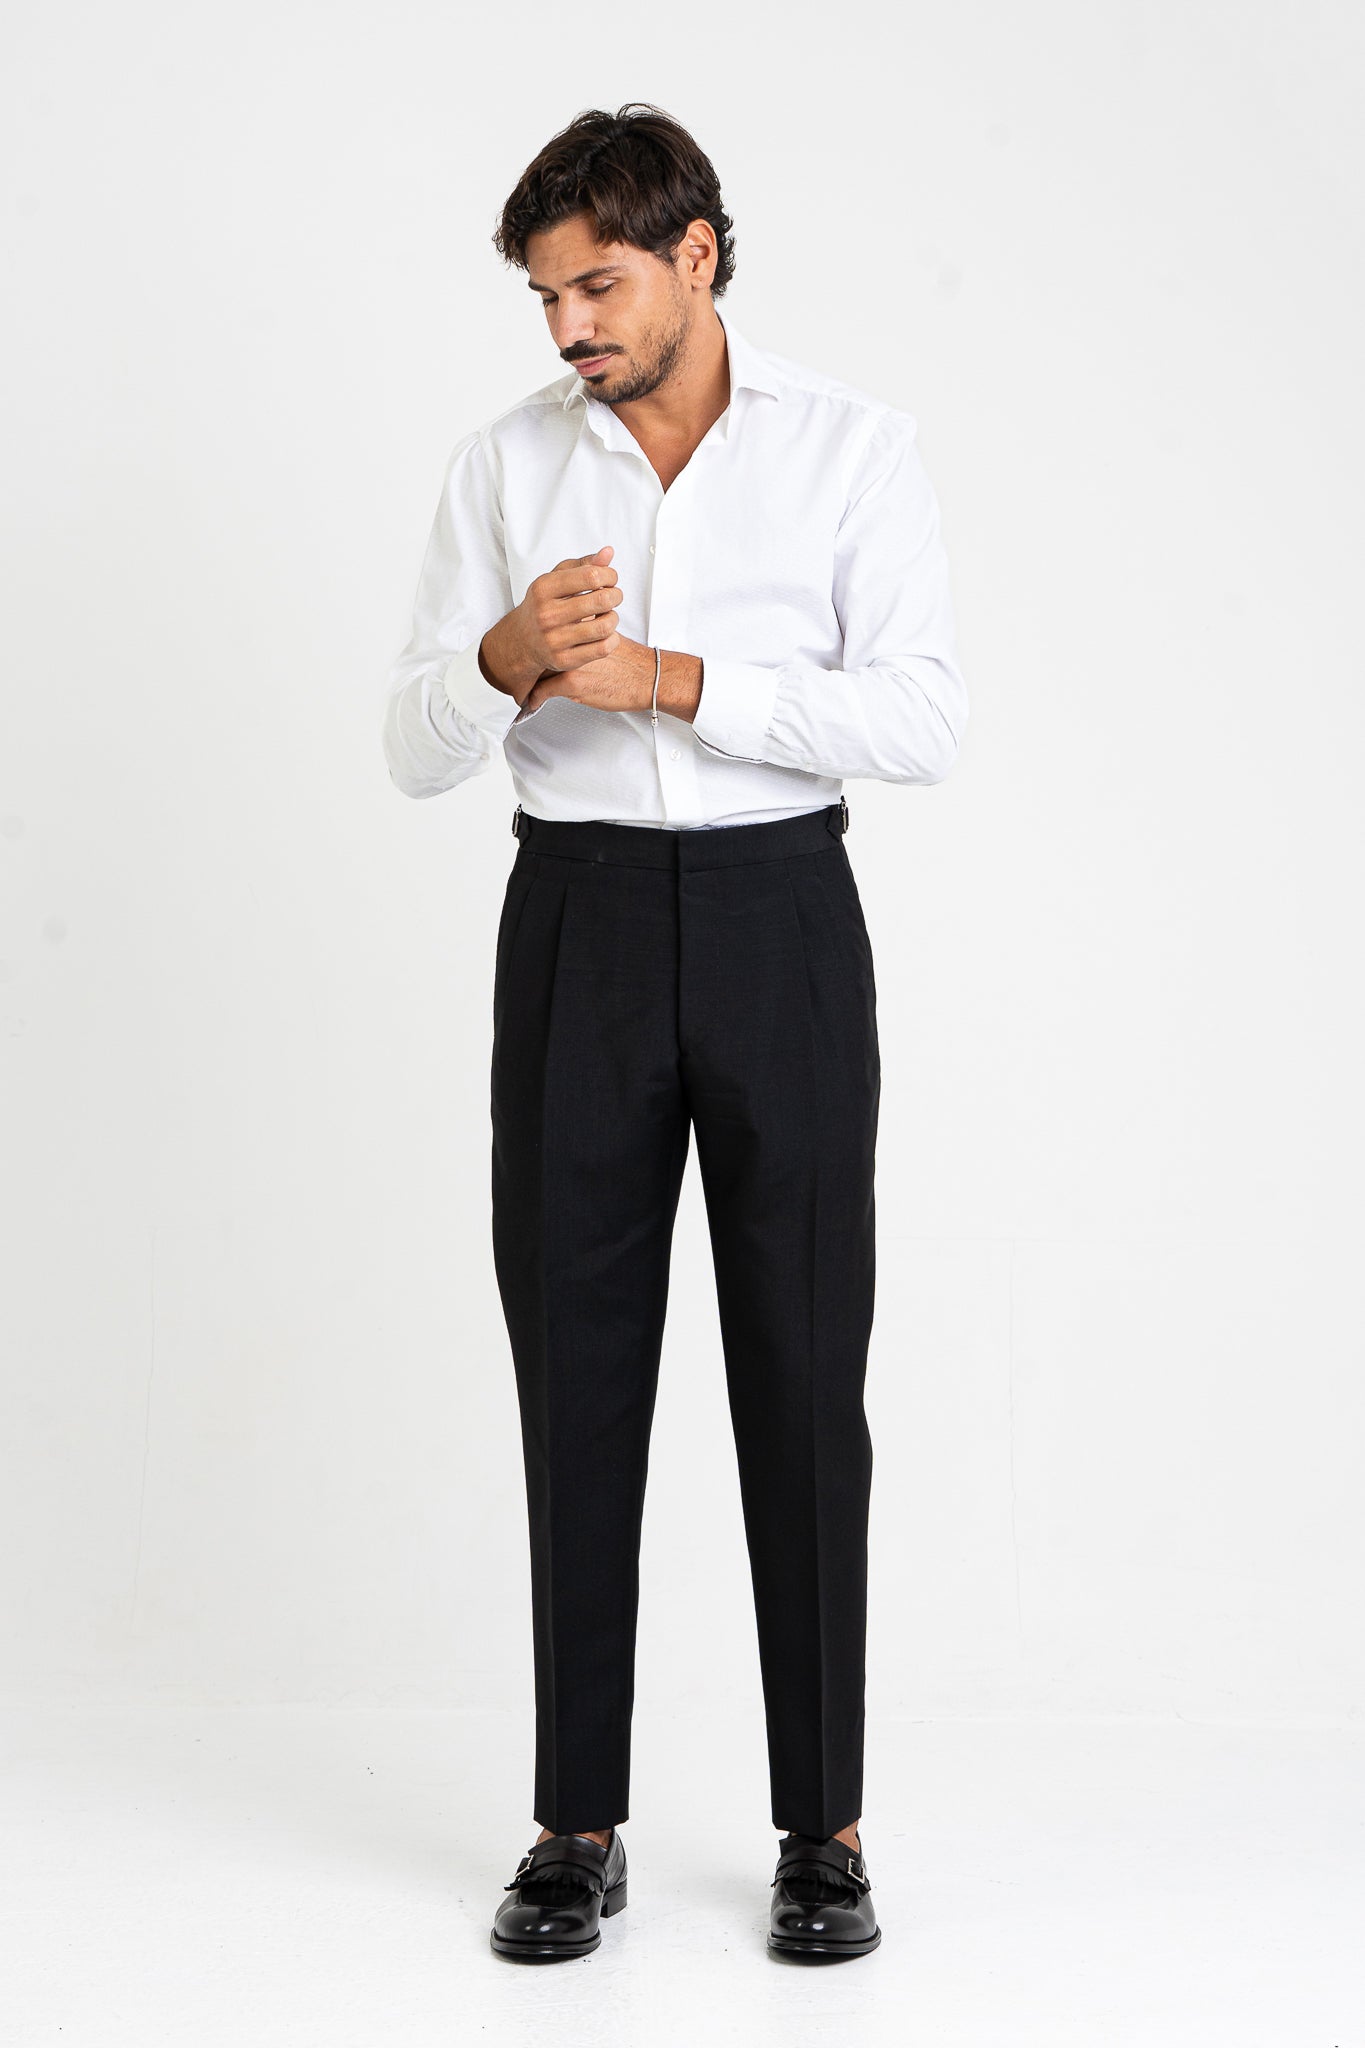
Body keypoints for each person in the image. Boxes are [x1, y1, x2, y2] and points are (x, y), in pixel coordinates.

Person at [380, 101, 968, 1963]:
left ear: (697, 255)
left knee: (802, 1373)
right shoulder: (502, 466)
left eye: (599, 286)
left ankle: (825, 1831)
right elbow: (407, 742)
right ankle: (575, 1823)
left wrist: (676, 682)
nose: (569, 327)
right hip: (578, 926)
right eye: (546, 298)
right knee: (576, 1375)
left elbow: (922, 715)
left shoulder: (852, 448)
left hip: (783, 914)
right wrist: (503, 662)